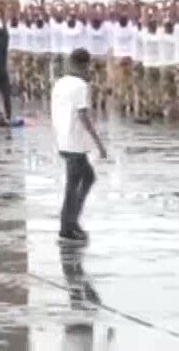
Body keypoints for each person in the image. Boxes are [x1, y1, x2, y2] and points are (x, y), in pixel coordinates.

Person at [52, 48, 108, 242]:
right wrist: (99, 143)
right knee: (75, 184)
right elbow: (83, 116)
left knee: (86, 177)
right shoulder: (80, 86)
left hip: (63, 138)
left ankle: (70, 221)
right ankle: (68, 225)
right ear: (85, 65)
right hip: (75, 141)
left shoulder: (60, 83)